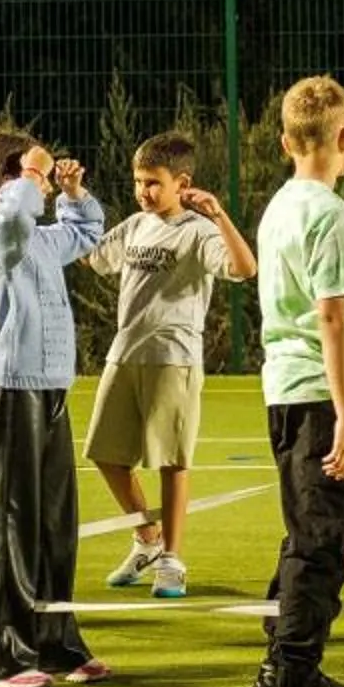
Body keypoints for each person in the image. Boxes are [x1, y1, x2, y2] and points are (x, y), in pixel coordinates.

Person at [0, 128, 112, 687]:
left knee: (54, 524)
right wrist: (27, 177)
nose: (41, 188)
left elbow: (87, 231)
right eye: (33, 177)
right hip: (12, 389)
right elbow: (14, 219)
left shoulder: (42, 238)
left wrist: (70, 192)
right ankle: (2, 657)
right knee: (11, 522)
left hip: (51, 389)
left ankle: (55, 640)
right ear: (6, 181)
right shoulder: (2, 239)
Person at [84, 132, 259, 599]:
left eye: (153, 182)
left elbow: (245, 269)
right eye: (138, 181)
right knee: (103, 453)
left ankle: (173, 560)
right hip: (124, 353)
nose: (143, 191)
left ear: (183, 183)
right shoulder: (136, 224)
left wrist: (219, 215)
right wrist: (72, 198)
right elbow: (91, 256)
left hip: (173, 358)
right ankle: (147, 538)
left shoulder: (198, 230)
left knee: (171, 461)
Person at [251, 77, 344, 687]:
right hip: (319, 395)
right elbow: (332, 318)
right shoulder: (330, 213)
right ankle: (295, 682)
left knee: (305, 534)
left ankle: (284, 662)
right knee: (322, 545)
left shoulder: (281, 205)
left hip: (285, 388)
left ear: (285, 142)